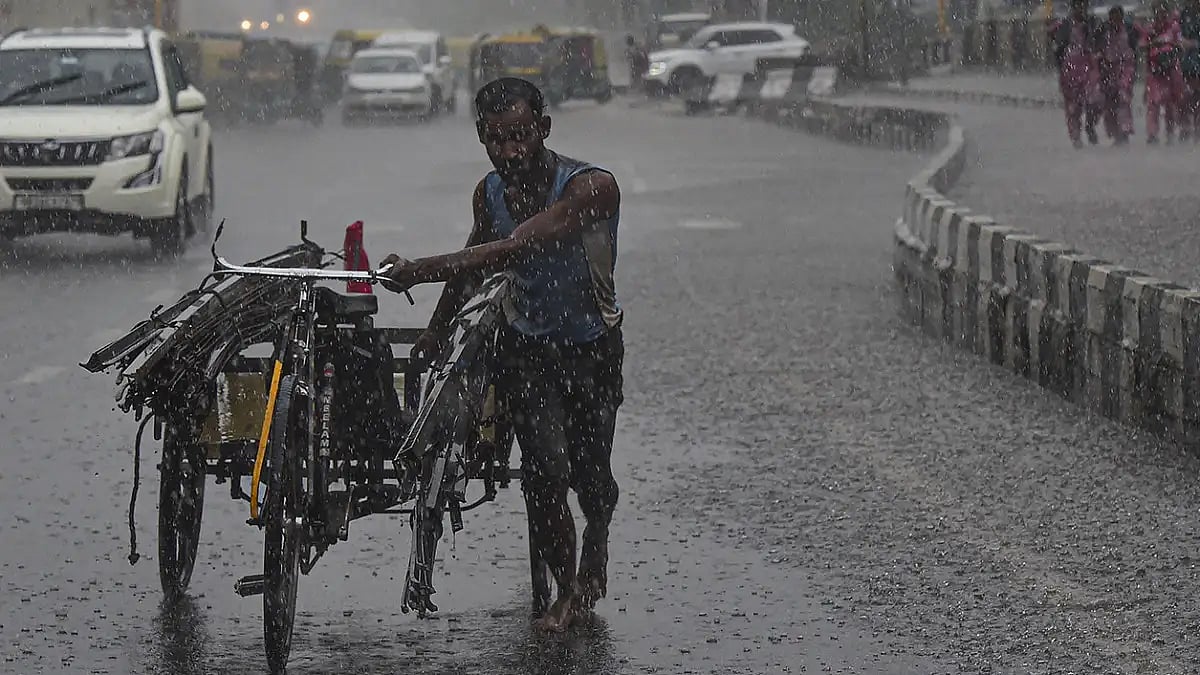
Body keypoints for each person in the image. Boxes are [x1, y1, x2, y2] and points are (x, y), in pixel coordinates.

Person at [380, 77, 624, 632]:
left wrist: (419, 269)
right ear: (481, 138)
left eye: (520, 136)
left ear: (543, 130)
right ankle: (566, 589)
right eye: (497, 139)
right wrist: (435, 333)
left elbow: (518, 246)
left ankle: (598, 541)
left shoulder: (591, 187)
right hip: (528, 352)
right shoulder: (489, 192)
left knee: (593, 478)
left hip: (592, 349)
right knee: (544, 474)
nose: (509, 151)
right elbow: (476, 262)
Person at [1049, 0, 1103, 147]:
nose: (1080, 9)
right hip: (1070, 68)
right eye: (1077, 6)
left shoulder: (1092, 23)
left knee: (1095, 100)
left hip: (1089, 66)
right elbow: (1058, 45)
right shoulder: (1065, 26)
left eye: (1082, 6)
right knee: (1073, 106)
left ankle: (1090, 125)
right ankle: (1076, 136)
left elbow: (1100, 42)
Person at [1142, 0, 1184, 144]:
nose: (1160, 13)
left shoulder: (1174, 27)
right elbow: (1142, 46)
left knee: (1170, 104)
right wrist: (1153, 44)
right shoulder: (1149, 28)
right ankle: (1152, 134)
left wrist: (1169, 46)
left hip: (1170, 70)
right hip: (1154, 71)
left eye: (1162, 10)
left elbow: (1180, 45)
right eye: (1157, 10)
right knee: (1153, 103)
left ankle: (1170, 132)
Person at [1098, 4, 1138, 144]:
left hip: (1125, 69)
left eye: (1117, 16)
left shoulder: (1129, 30)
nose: (1115, 19)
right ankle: (1116, 133)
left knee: (1123, 99)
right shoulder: (1105, 32)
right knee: (1109, 104)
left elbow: (1134, 49)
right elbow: (1100, 49)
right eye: (1112, 16)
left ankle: (1124, 131)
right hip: (1108, 71)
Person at [1179, 0, 1200, 140]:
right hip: (1188, 63)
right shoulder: (1185, 14)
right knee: (1186, 97)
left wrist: (1194, 43)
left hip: (1195, 60)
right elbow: (1178, 33)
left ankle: (1196, 129)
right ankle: (1186, 127)